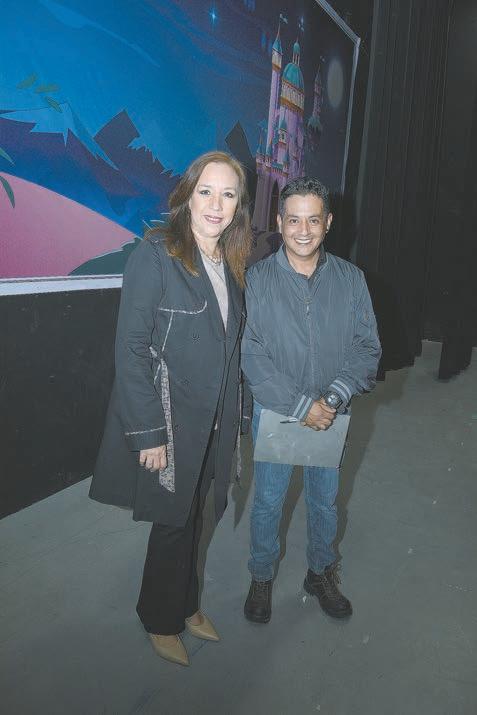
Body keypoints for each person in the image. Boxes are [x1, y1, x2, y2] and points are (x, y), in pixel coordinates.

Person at [89, 151, 251, 665]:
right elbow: (131, 347)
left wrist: (239, 418)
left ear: (239, 206)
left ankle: (186, 604)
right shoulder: (158, 252)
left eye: (228, 194)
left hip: (215, 420)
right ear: (187, 195)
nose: (216, 204)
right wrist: (149, 432)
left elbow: (231, 350)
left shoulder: (230, 262)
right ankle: (160, 617)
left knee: (198, 516)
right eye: (206, 191)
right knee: (173, 522)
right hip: (173, 419)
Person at [241, 176, 381, 623]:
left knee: (324, 501)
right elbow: (250, 354)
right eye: (294, 220)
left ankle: (319, 572)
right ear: (279, 221)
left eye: (313, 220)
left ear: (328, 222)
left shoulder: (351, 280)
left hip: (332, 413)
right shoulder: (257, 280)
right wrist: (302, 407)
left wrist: (333, 399)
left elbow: (367, 347)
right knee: (268, 501)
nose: (304, 231)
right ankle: (262, 575)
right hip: (277, 412)